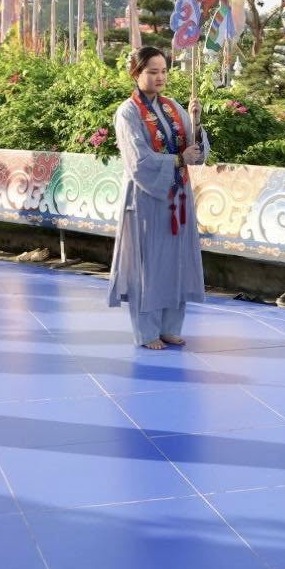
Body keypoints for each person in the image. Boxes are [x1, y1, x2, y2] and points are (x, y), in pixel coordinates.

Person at [106, 47, 208, 349]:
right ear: (136, 73)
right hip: (146, 198)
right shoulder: (128, 112)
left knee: (175, 261)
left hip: (177, 196)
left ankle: (170, 327)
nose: (160, 77)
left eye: (163, 71)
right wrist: (177, 160)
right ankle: (147, 331)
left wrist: (196, 123)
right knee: (147, 265)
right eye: (152, 71)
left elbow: (195, 151)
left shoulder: (174, 107)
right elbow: (137, 161)